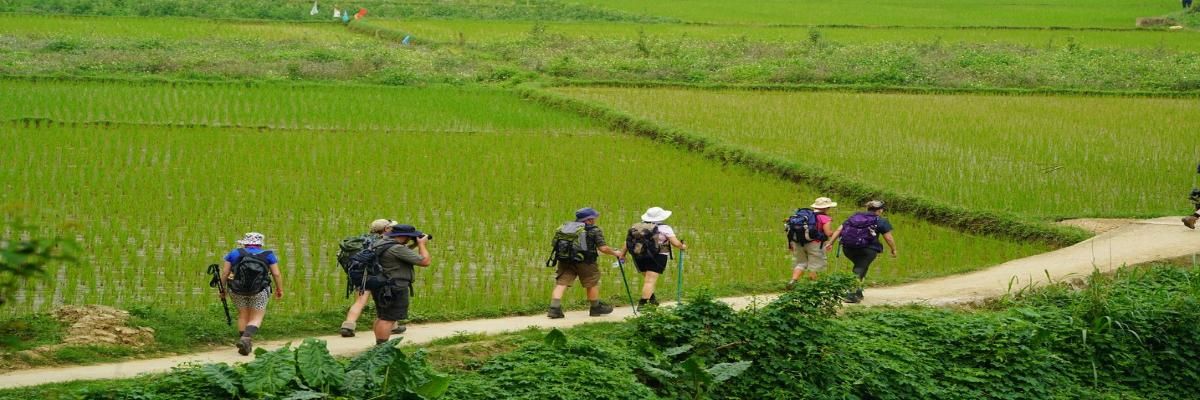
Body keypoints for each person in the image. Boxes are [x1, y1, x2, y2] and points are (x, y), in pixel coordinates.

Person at [548, 207, 624, 319]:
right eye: (594, 218)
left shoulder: (566, 227)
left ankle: (554, 308)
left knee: (561, 283)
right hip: (586, 262)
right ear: (588, 219)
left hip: (565, 260)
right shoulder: (594, 230)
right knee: (591, 283)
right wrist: (615, 253)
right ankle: (595, 308)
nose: (595, 220)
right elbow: (603, 248)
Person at [220, 232, 284, 355]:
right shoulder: (268, 255)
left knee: (243, 315)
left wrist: (222, 289)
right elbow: (276, 274)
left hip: (237, 290)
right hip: (260, 290)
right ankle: (246, 338)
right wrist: (279, 289)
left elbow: (225, 273)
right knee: (256, 317)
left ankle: (244, 344)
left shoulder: (234, 253)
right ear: (260, 244)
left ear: (245, 243)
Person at [367, 224, 431, 345]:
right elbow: (425, 261)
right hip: (394, 287)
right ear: (404, 236)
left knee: (382, 316)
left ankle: (379, 345)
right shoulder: (397, 248)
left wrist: (414, 244)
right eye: (410, 236)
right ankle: (382, 348)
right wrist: (422, 245)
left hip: (382, 286)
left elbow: (400, 252)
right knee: (388, 319)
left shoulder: (381, 243)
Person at [825, 200, 896, 303]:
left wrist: (830, 243)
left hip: (848, 248)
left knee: (861, 267)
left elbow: (839, 229)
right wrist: (893, 249)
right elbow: (888, 238)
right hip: (868, 250)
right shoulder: (880, 220)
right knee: (859, 268)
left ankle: (858, 292)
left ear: (867, 208)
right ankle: (851, 294)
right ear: (880, 210)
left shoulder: (854, 217)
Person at [339, 219, 395, 338]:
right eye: (391, 228)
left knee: (360, 302)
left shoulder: (362, 240)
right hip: (378, 277)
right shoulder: (384, 242)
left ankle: (348, 326)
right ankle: (392, 325)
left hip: (361, 277)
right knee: (385, 302)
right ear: (386, 229)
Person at [628, 207, 687, 309]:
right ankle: (643, 304)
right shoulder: (665, 228)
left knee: (647, 279)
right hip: (658, 256)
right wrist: (682, 246)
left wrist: (622, 254)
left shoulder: (636, 226)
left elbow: (628, 242)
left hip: (639, 256)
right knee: (650, 281)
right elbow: (675, 243)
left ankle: (652, 300)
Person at [787, 197, 836, 289]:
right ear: (827, 208)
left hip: (799, 242)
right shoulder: (825, 217)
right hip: (815, 244)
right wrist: (835, 233)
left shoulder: (806, 216)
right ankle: (813, 286)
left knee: (801, 263)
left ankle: (793, 281)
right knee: (816, 265)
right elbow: (828, 233)